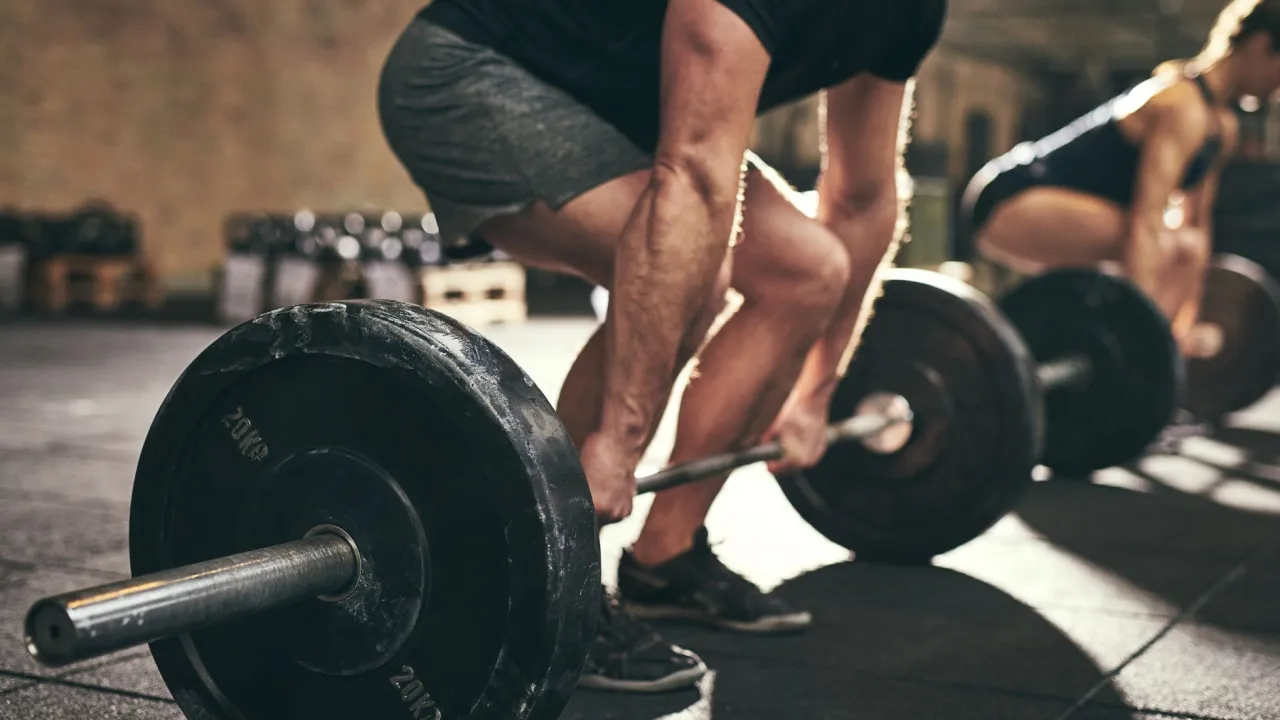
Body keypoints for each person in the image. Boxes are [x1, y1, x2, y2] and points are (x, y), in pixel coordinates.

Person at [379, 0, 945, 693]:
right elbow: (697, 176)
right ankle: (548, 592)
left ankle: (665, 561)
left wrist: (817, 393)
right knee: (694, 278)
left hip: (618, 110)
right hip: (470, 75)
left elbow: (861, 198)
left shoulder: (911, 11)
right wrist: (618, 442)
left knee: (808, 271)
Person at [961, 0, 1280, 359]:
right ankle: (1139, 349)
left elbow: (1198, 226)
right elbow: (1146, 221)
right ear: (1261, 46)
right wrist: (1141, 331)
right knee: (1168, 245)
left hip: (1070, 211)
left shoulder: (1222, 127)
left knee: (1184, 246)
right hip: (1009, 199)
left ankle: (1146, 351)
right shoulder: (1181, 105)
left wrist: (1185, 324)